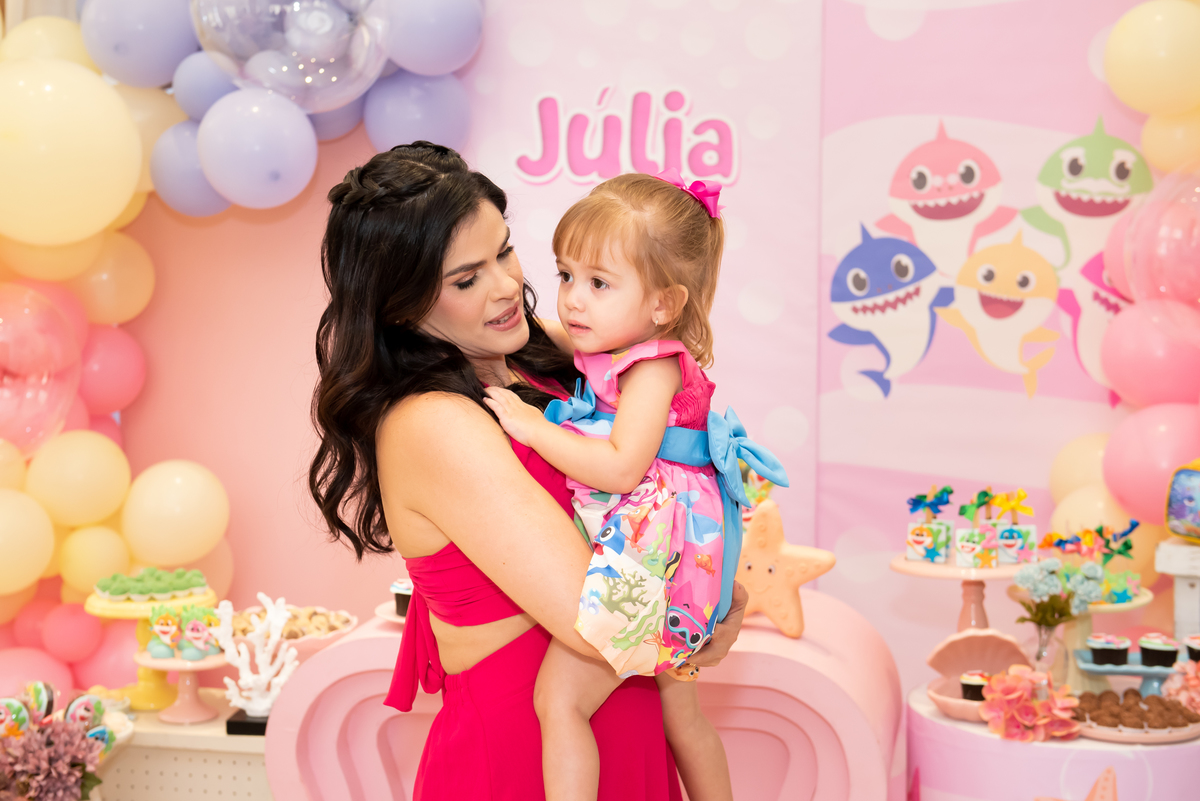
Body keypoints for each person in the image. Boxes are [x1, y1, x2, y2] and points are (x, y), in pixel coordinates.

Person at [307, 142, 748, 800]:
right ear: (400, 305)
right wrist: (705, 612)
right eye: (466, 280)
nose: (507, 286)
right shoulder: (432, 421)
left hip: (622, 728)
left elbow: (661, 375)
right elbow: (598, 620)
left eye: (505, 251)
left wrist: (710, 588)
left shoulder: (532, 354)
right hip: (522, 761)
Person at [483, 173, 787, 801]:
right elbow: (539, 329)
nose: (573, 300)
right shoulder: (621, 339)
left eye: (599, 283)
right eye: (566, 275)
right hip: (671, 550)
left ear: (663, 305)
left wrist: (532, 428)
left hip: (658, 554)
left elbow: (622, 467)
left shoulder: (652, 368)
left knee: (560, 702)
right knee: (682, 716)